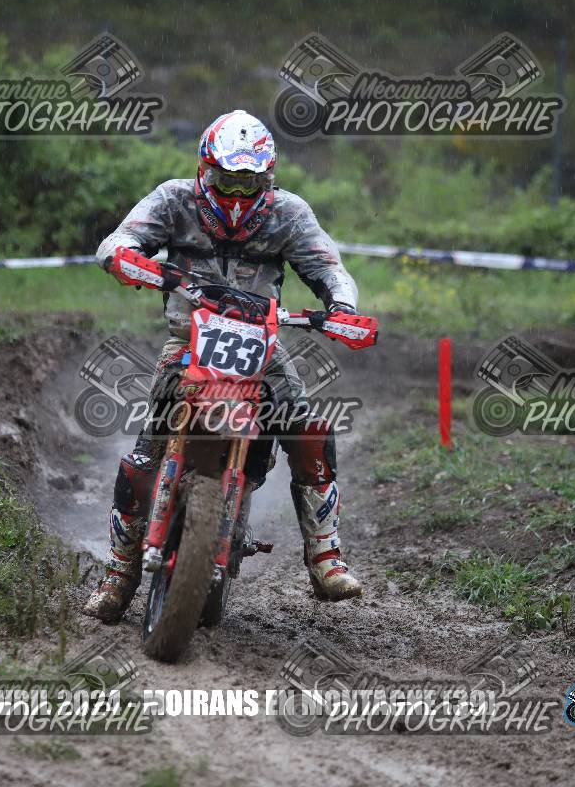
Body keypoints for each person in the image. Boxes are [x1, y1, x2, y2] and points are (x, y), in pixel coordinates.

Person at [83, 110, 364, 623]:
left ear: (267, 178)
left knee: (306, 430)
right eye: (226, 180)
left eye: (248, 183)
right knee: (146, 452)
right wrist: (131, 260)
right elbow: (116, 242)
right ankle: (118, 575)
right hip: (187, 341)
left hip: (263, 347)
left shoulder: (289, 213)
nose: (236, 194)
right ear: (205, 169)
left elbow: (329, 267)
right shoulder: (173, 200)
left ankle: (326, 556)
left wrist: (342, 309)